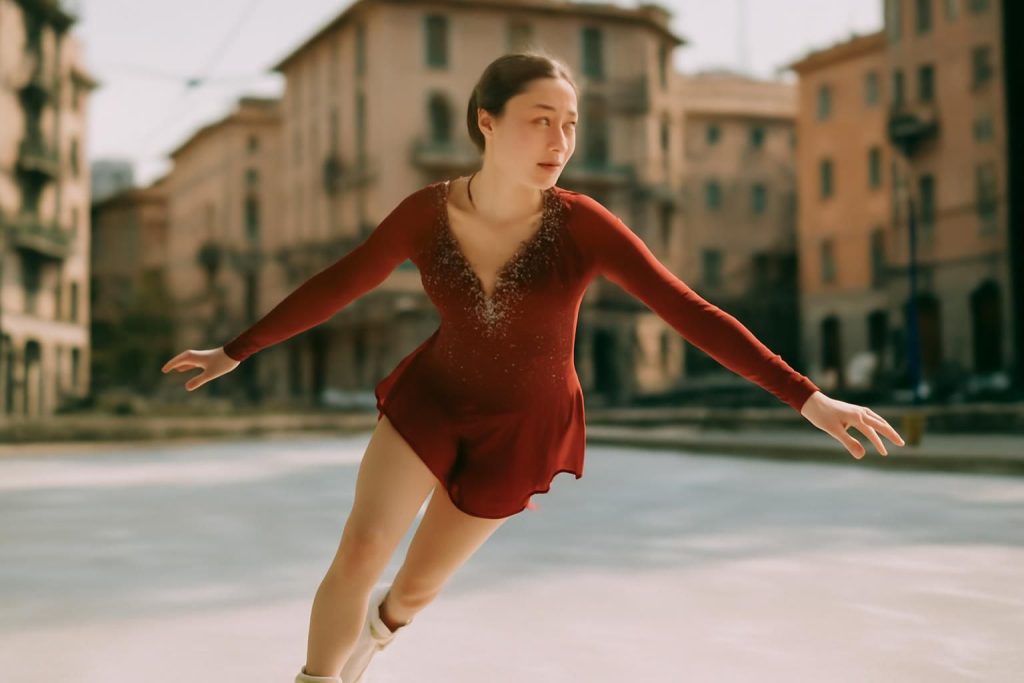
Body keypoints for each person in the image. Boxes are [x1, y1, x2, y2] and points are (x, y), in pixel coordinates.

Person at [161, 51, 905, 683]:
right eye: (540, 120)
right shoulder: (425, 212)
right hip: (432, 399)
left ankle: (372, 644)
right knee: (360, 546)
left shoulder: (584, 224)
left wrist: (810, 399)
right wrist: (235, 349)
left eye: (571, 124)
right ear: (487, 122)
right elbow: (339, 281)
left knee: (413, 590)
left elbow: (690, 311)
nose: (560, 140)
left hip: (524, 427)